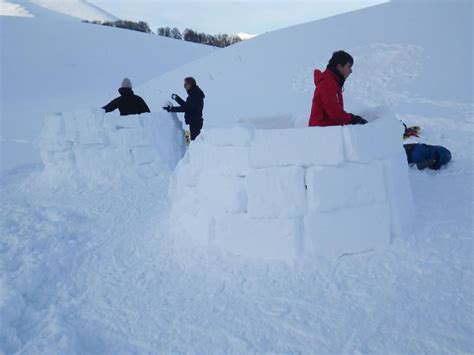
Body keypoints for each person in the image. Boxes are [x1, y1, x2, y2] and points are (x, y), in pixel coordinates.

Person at [309, 50, 367, 127]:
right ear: (339, 67)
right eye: (349, 67)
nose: (351, 71)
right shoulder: (327, 83)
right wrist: (353, 119)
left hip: (325, 131)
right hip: (320, 133)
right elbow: (335, 113)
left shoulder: (332, 82)